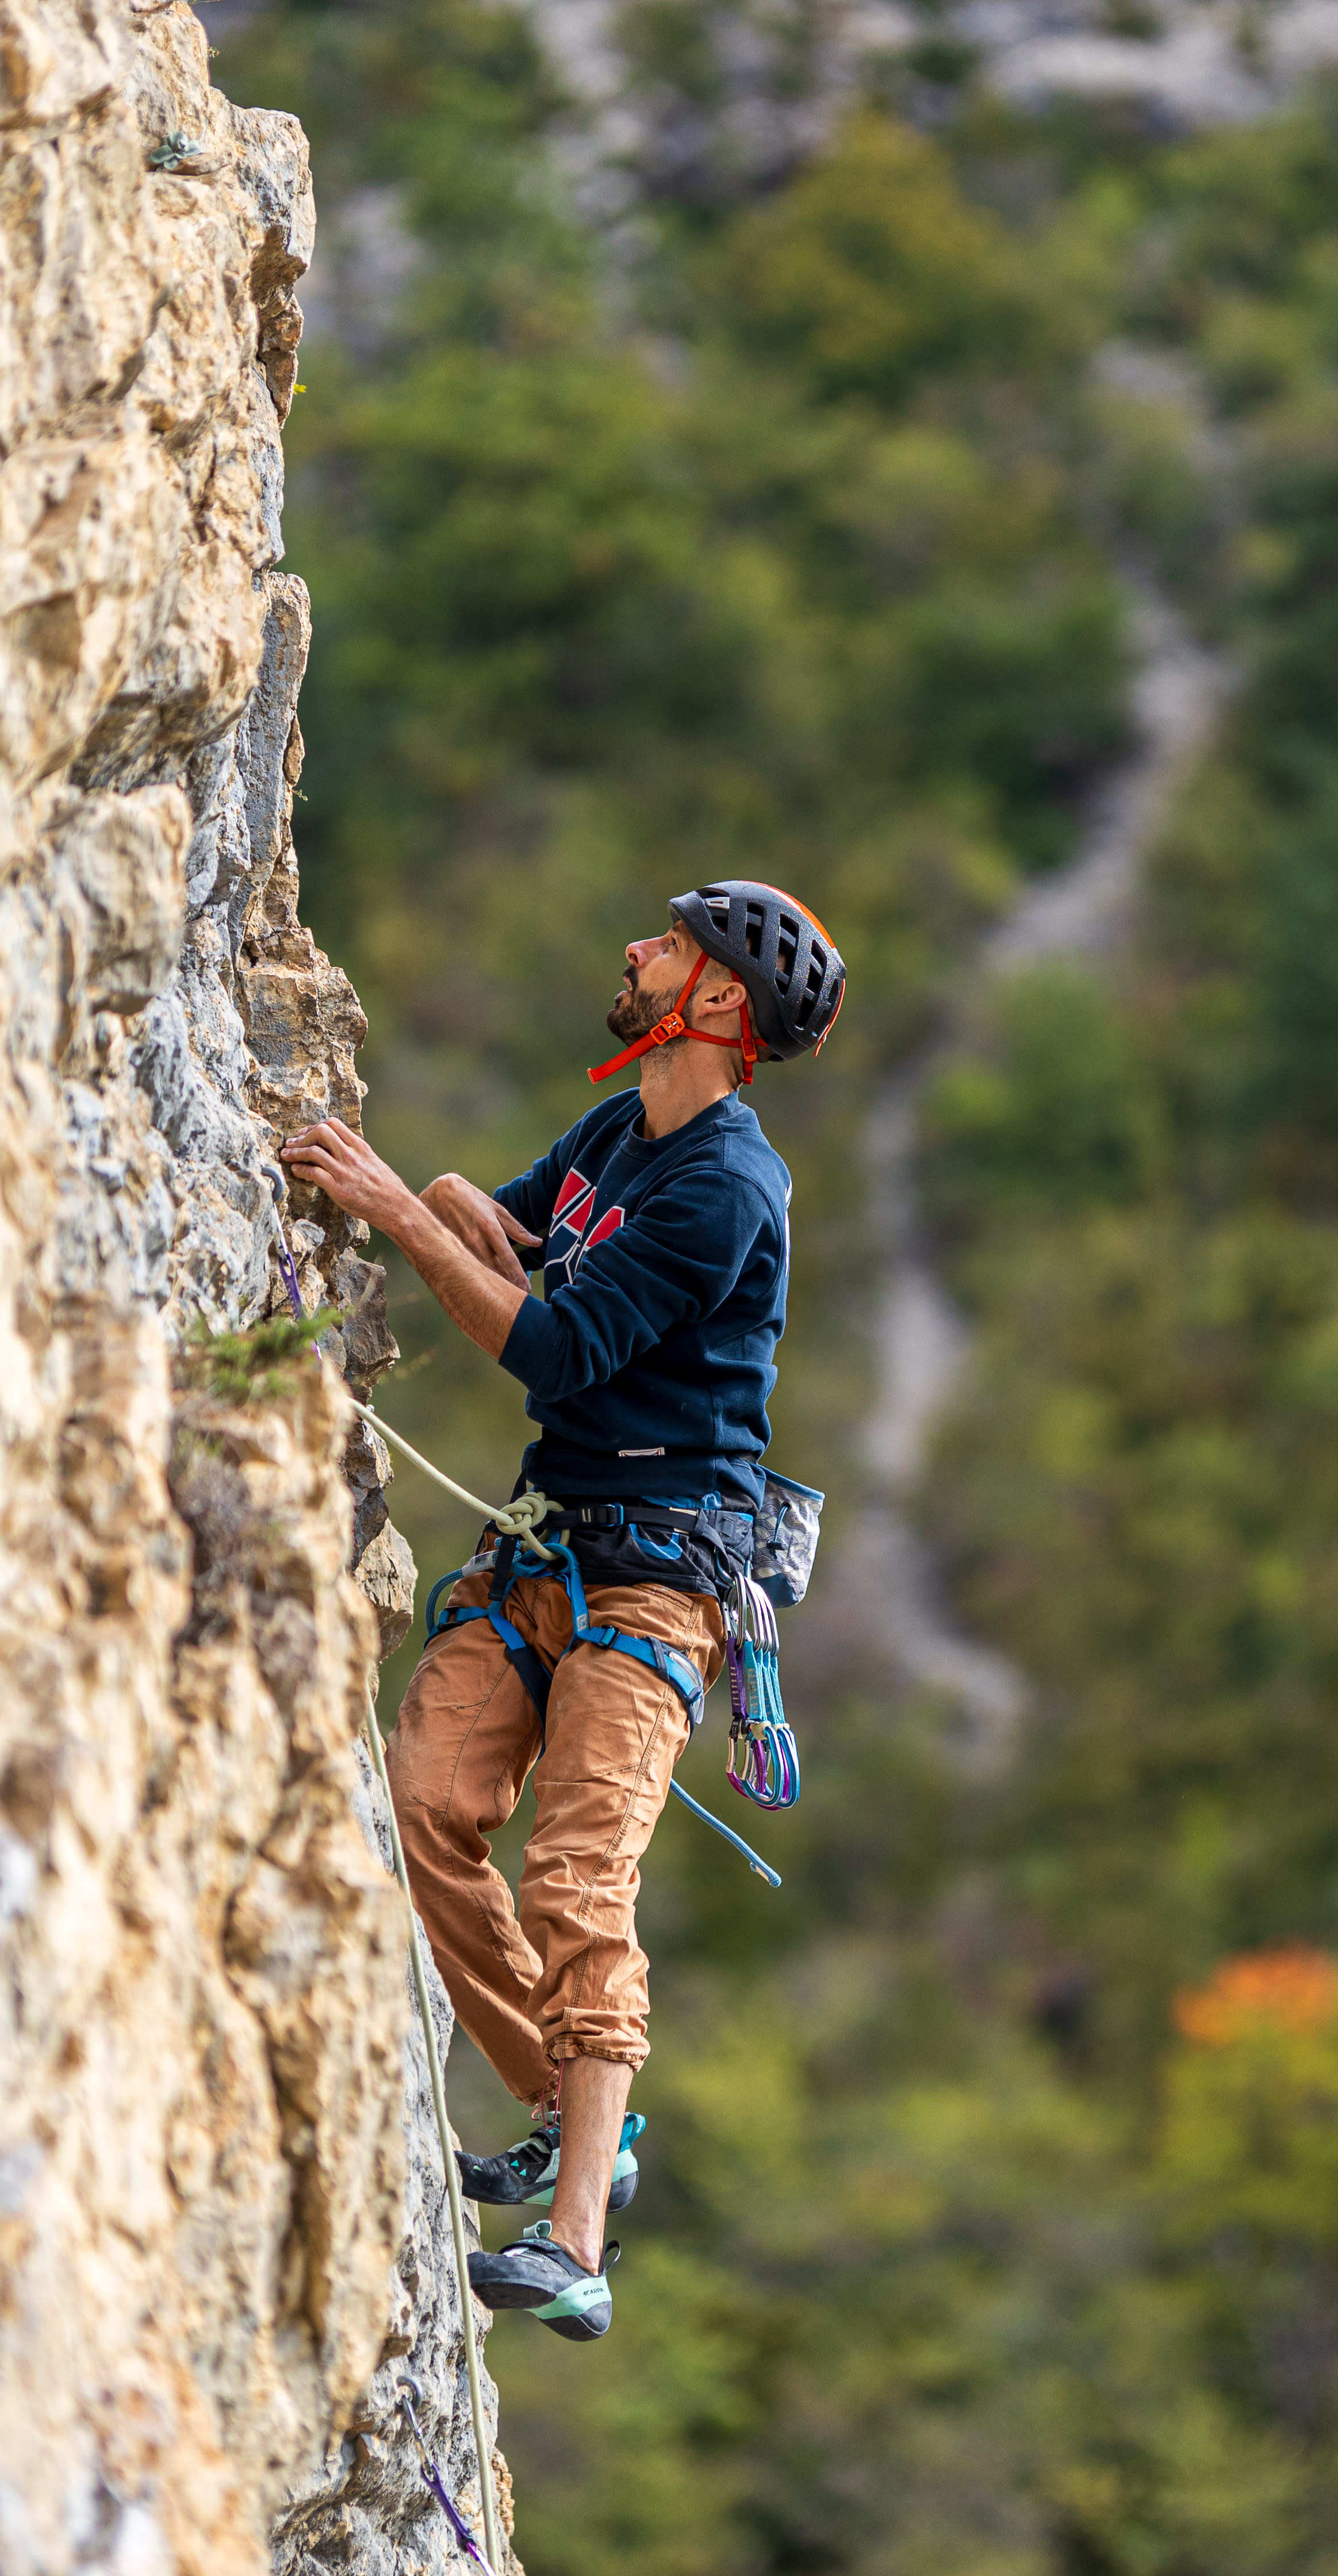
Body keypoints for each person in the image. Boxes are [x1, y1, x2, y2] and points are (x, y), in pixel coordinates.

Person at [279, 881, 845, 2343]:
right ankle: (563, 2101)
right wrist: (458, 1206)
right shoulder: (620, 1131)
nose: (639, 949)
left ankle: (579, 2236)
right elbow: (520, 1235)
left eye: (673, 946)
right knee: (419, 1801)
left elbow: (554, 1347)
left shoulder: (728, 1183)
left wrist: (407, 1208)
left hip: (661, 1581)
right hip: (552, 1548)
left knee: (580, 1885)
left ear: (718, 1007)